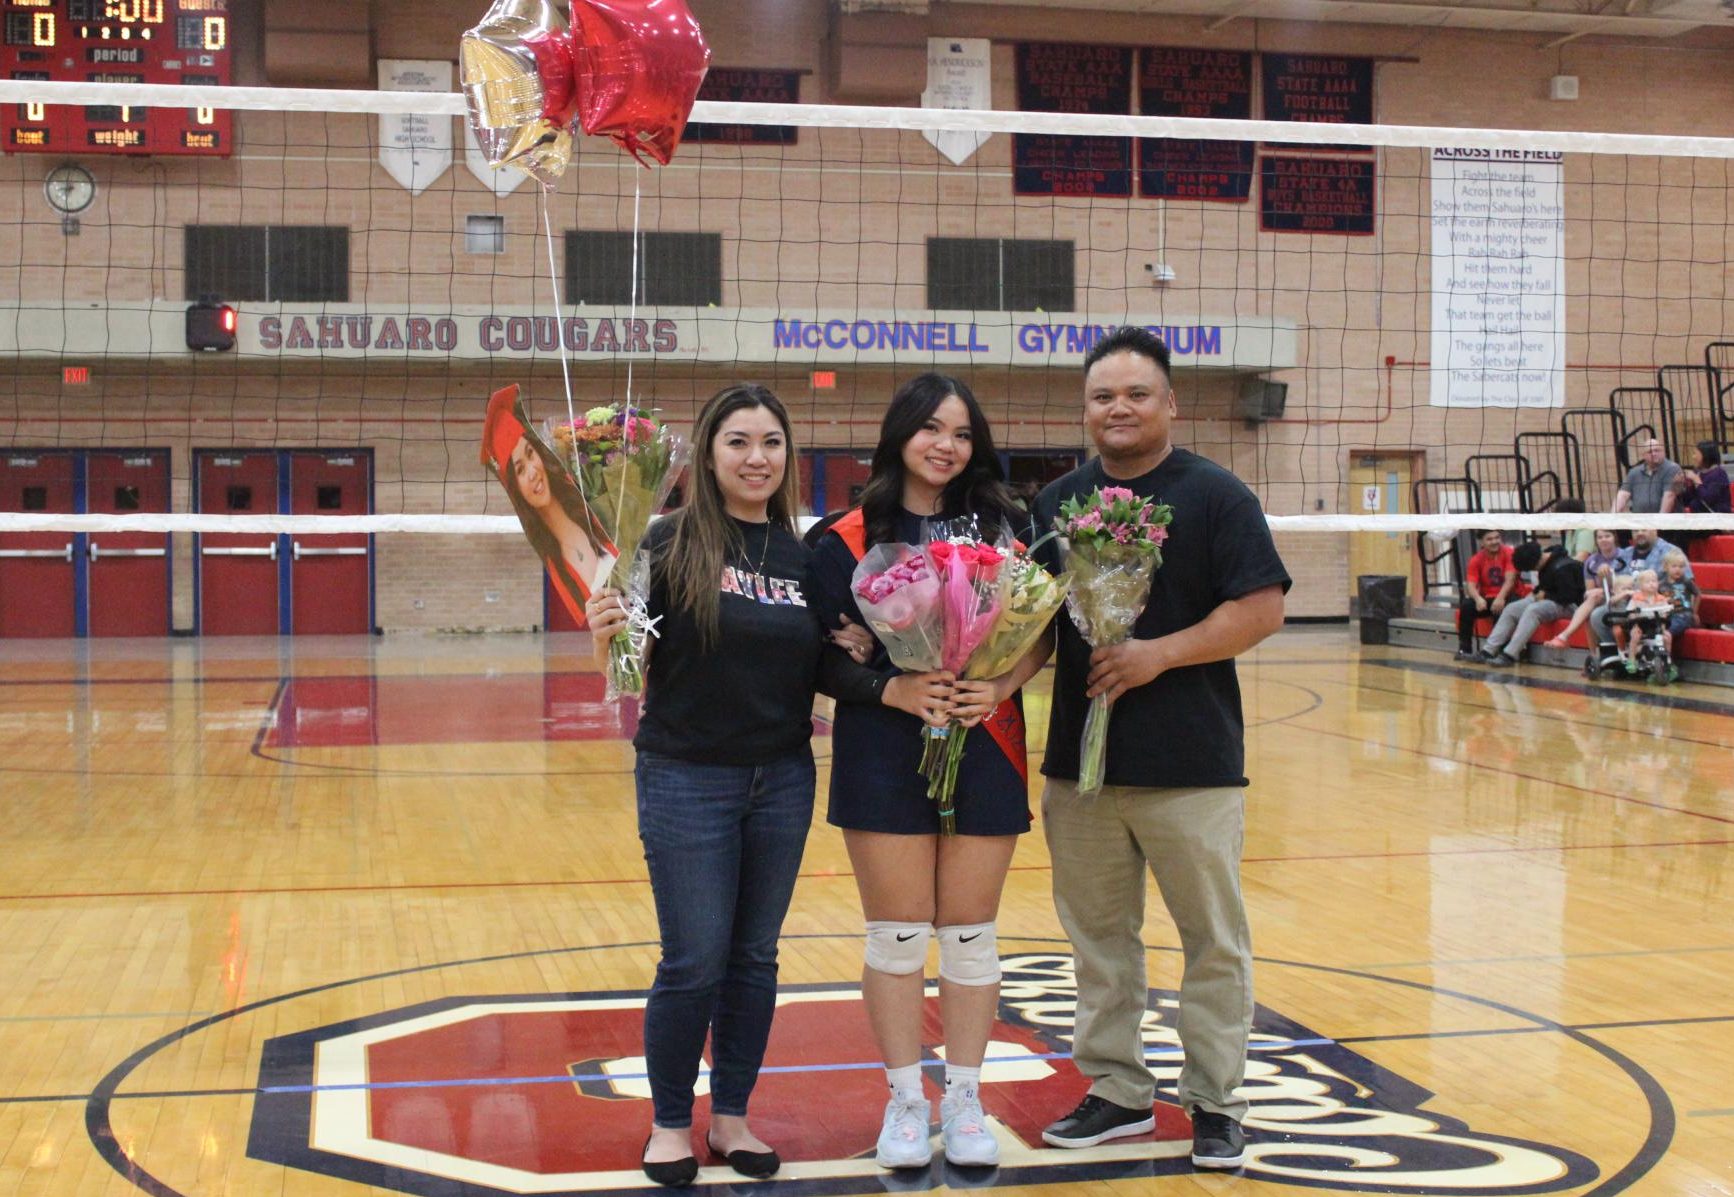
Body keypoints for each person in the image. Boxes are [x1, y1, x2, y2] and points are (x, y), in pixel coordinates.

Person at [584, 383, 883, 1187]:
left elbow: (821, 658)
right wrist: (606, 628)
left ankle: (734, 1117)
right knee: (693, 959)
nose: (758, 458)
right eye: (739, 442)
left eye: (772, 443)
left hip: (782, 776)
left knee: (754, 958)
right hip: (687, 777)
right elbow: (626, 664)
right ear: (708, 456)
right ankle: (670, 1123)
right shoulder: (664, 540)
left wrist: (865, 659)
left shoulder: (805, 555)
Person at [1027, 327, 1289, 1171]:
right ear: (1085, 407)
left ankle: (1215, 1099)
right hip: (1083, 766)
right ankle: (1117, 1090)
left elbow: (1261, 608)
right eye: (1104, 395)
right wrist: (981, 677)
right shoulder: (1058, 502)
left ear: (1171, 403)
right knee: (1099, 940)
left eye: (1137, 393)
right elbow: (1033, 625)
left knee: (1212, 938)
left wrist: (1157, 653)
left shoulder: (1216, 495)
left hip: (1193, 764)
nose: (1120, 408)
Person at [807, 372, 1052, 1170]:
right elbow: (816, 658)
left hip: (986, 738)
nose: (946, 445)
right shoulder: (840, 538)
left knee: (973, 936)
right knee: (900, 932)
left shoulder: (1011, 527)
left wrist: (1001, 682)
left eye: (962, 433)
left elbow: (1045, 630)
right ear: (900, 432)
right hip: (884, 743)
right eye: (932, 428)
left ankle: (967, 1098)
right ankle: (906, 1100)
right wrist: (893, 685)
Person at [483, 385, 617, 624]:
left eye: (531, 453)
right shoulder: (555, 560)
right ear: (515, 487)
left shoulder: (592, 515)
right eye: (520, 470)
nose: (533, 471)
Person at [1479, 539, 1585, 666]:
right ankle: (1488, 651)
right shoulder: (1547, 559)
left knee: (1533, 610)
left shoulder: (1563, 567)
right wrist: (1539, 593)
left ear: (1537, 563)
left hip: (1572, 606)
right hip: (1551, 599)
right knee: (1512, 608)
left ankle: (1509, 655)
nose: (1534, 571)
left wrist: (1546, 595)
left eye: (1533, 569)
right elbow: (1547, 585)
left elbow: (1569, 596)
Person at [1544, 529, 1630, 650]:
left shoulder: (1625, 555)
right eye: (1600, 537)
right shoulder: (1591, 561)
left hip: (1621, 597)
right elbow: (1589, 591)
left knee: (1592, 603)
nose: (1603, 540)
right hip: (1600, 598)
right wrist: (1599, 585)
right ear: (1596, 541)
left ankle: (1564, 636)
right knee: (1590, 605)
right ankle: (1593, 657)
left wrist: (1607, 577)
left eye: (1607, 536)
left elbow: (1626, 583)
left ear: (1614, 538)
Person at [1455, 529, 1526, 662]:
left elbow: (1510, 580)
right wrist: (1477, 599)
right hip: (1488, 598)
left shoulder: (1509, 553)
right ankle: (1464, 649)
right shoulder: (1476, 559)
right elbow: (1470, 585)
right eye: (1490, 539)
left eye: (1497, 537)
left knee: (1502, 608)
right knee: (1467, 606)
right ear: (1482, 542)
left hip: (1510, 595)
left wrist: (1500, 598)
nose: (1494, 542)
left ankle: (1500, 652)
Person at [1613, 438, 1681, 515]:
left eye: (1657, 450)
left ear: (1663, 452)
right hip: (1640, 522)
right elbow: (1622, 495)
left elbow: (1670, 496)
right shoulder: (1634, 472)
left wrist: (1660, 522)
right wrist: (1612, 518)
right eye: (1650, 451)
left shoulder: (1673, 469)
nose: (1654, 454)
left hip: (1667, 522)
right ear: (1644, 455)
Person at [1660, 548, 1699, 671]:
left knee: (1666, 634)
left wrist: (1694, 612)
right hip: (1668, 614)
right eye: (1674, 566)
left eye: (1681, 567)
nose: (1678, 569)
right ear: (1666, 567)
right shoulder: (1661, 585)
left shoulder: (1686, 582)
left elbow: (1698, 594)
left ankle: (1668, 663)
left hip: (1683, 614)